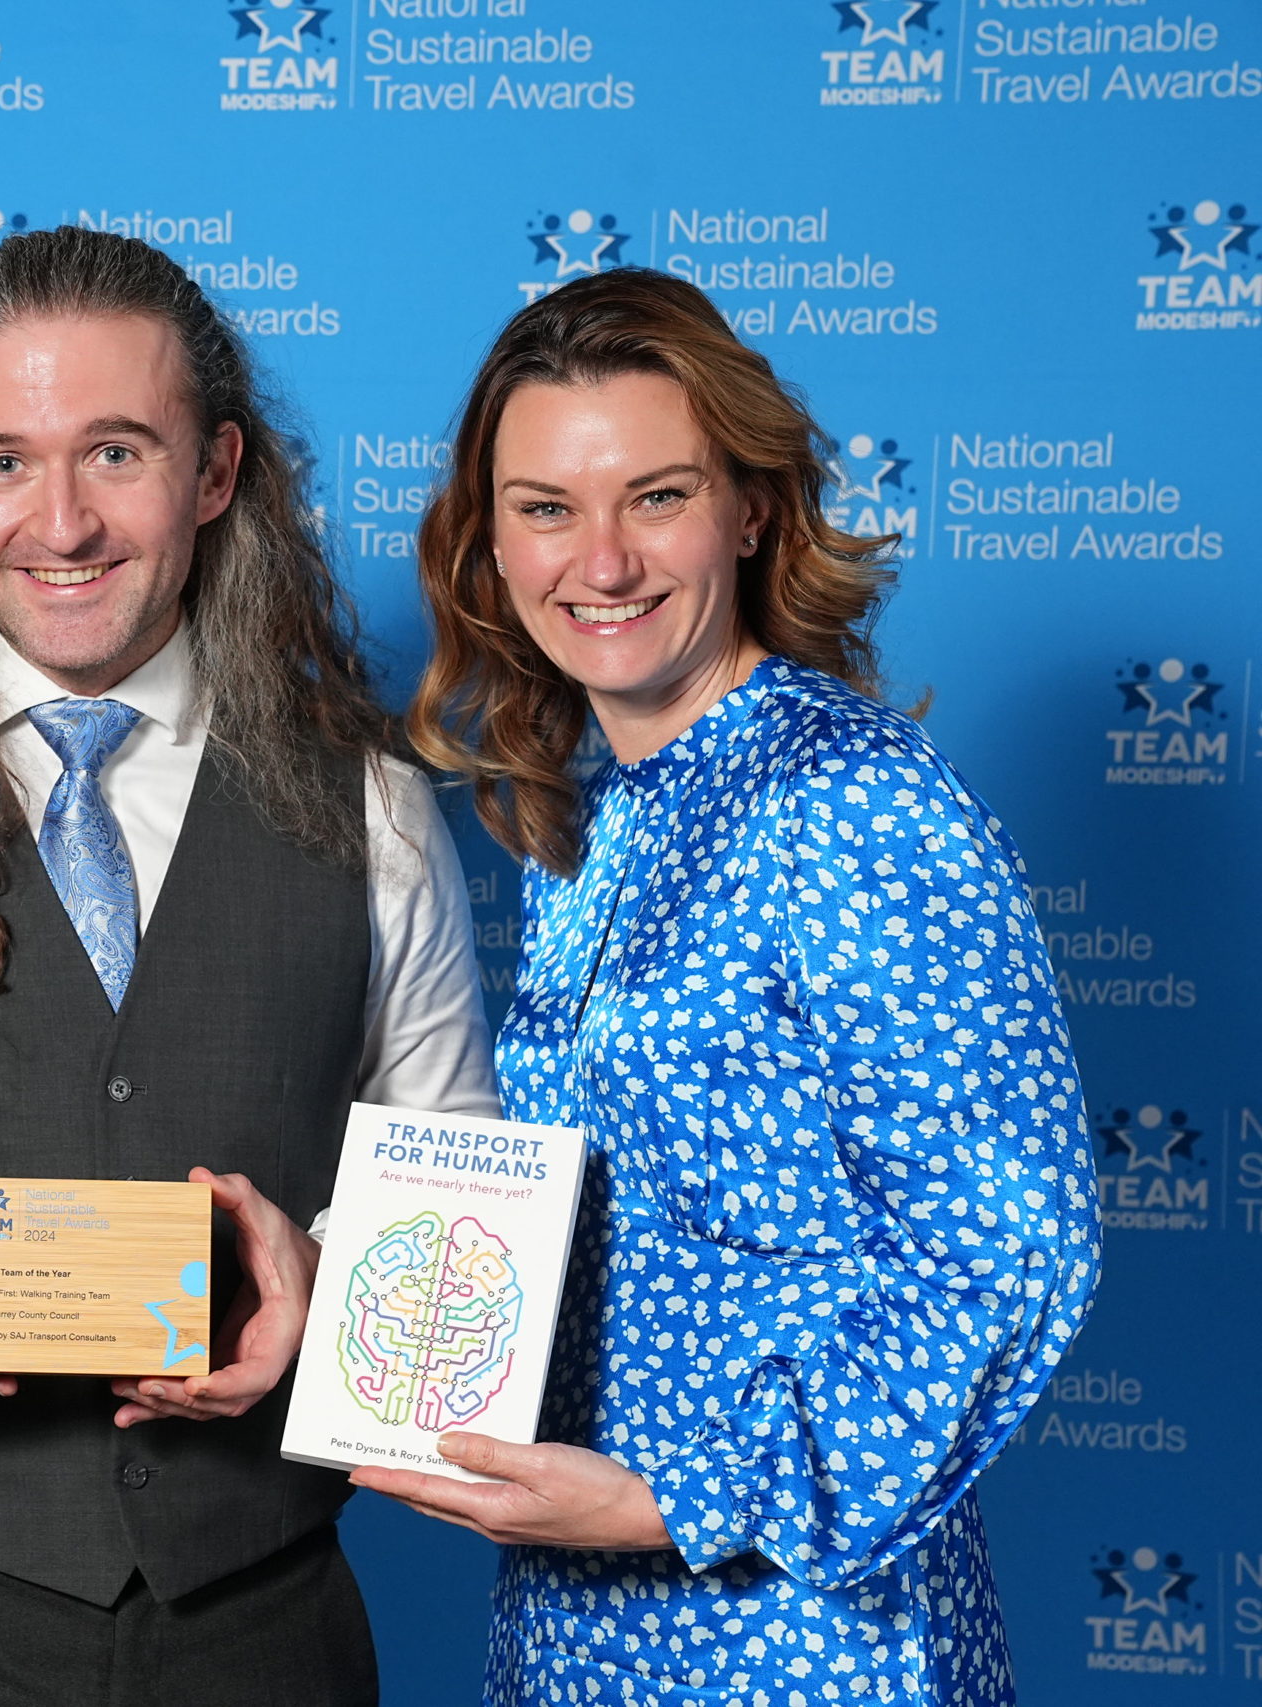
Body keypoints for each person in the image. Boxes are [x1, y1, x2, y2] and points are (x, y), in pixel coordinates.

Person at [0, 226, 498, 1706]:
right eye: (2, 460)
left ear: (214, 473)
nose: (59, 522)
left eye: (117, 453)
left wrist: (322, 1288)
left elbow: (456, 1178)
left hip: (261, 1619)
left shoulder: (375, 804)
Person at [377, 268, 1101, 1702]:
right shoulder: (586, 813)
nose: (602, 560)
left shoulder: (855, 802)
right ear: (489, 544)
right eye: (545, 508)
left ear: (751, 508)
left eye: (656, 497)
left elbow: (1013, 1250)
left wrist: (681, 1503)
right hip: (578, 1613)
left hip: (805, 1640)